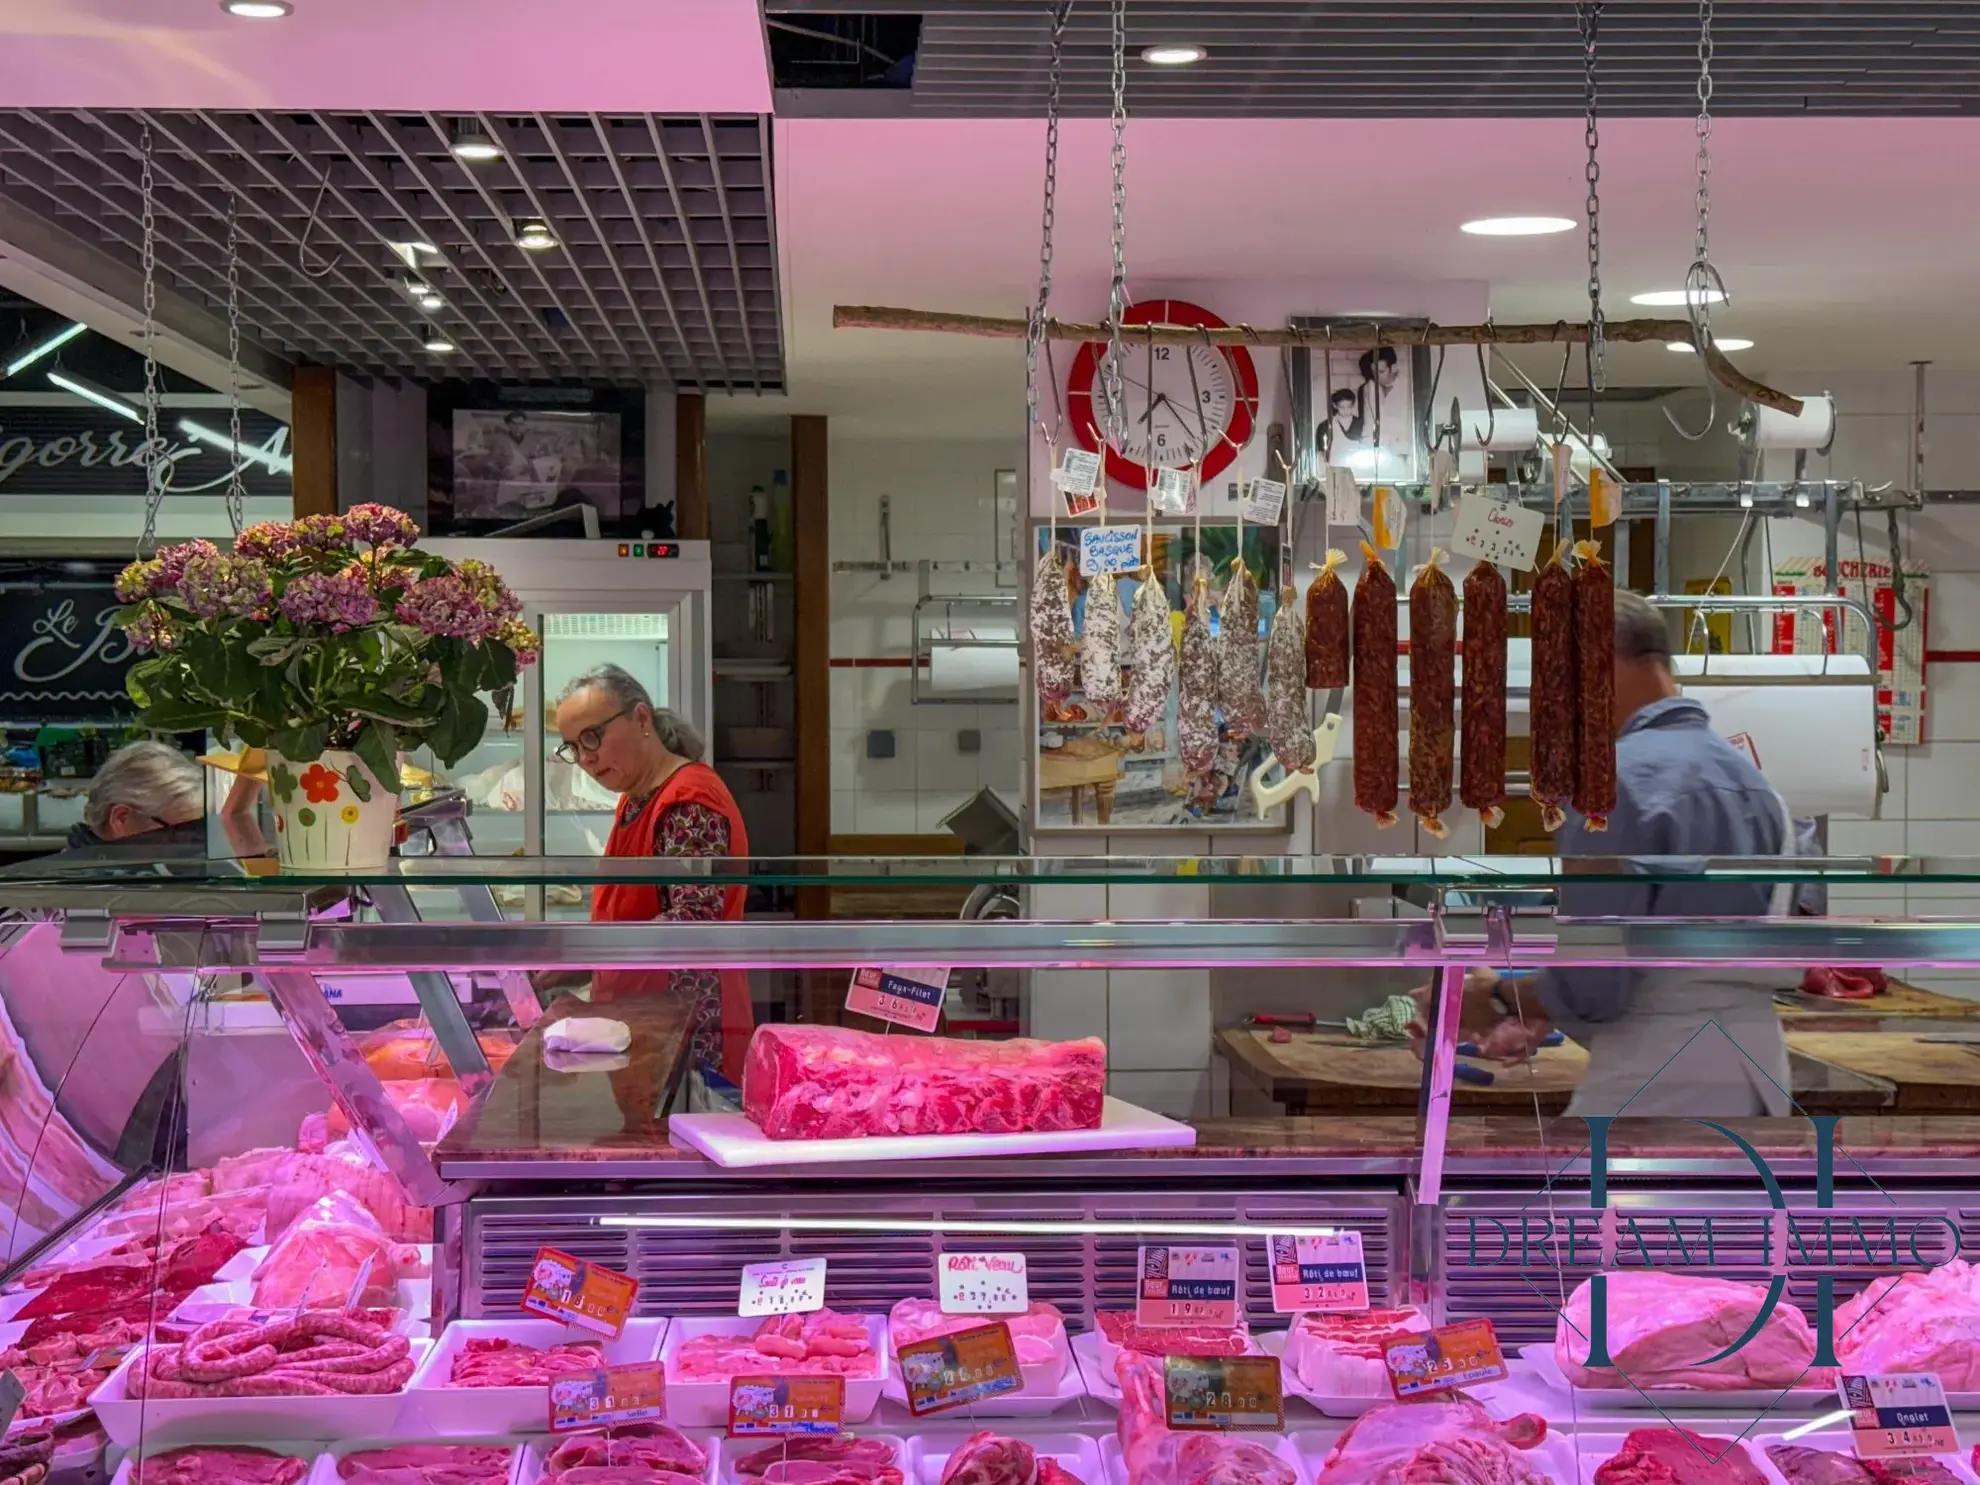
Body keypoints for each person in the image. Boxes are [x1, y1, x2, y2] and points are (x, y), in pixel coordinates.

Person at [1418, 590, 1797, 1117]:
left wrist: (1495, 998)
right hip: (1760, 1077)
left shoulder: (1611, 784)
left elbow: (1596, 981)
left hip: (1660, 1081)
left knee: (1589, 1199)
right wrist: (1542, 1003)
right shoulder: (1756, 783)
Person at [552, 665, 753, 1087]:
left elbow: (692, 924)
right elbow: (637, 914)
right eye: (573, 746)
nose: (586, 758)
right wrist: (579, 964)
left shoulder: (688, 802)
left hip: (688, 1040)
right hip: (644, 1026)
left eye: (593, 736)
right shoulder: (636, 797)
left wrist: (590, 953)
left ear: (641, 719)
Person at [61, 739, 207, 855]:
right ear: (121, 819)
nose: (194, 847)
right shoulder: (72, 888)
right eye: (182, 832)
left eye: (199, 830)